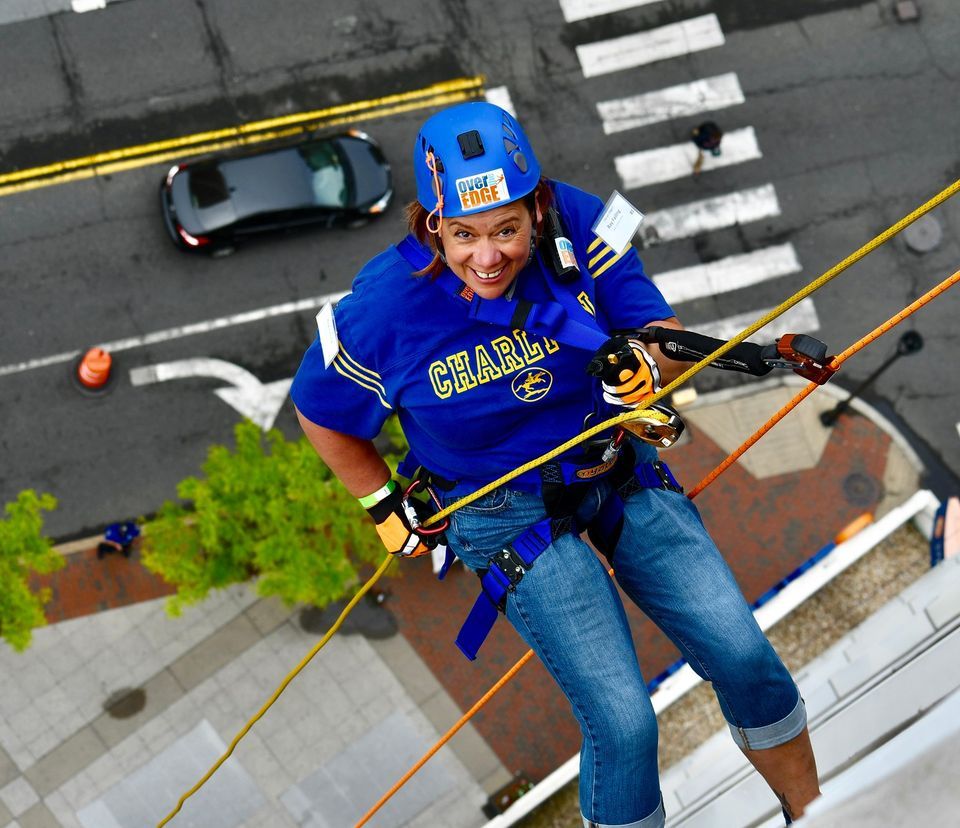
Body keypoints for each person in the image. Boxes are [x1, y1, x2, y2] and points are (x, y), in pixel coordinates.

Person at [291, 101, 821, 827]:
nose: (488, 257)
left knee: (747, 658)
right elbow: (319, 410)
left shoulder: (580, 223)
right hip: (500, 509)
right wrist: (380, 503)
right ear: (429, 226)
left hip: (612, 466)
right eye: (463, 235)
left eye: (507, 229)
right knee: (625, 725)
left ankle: (816, 811)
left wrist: (646, 370)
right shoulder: (382, 312)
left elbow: (655, 327)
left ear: (537, 210)